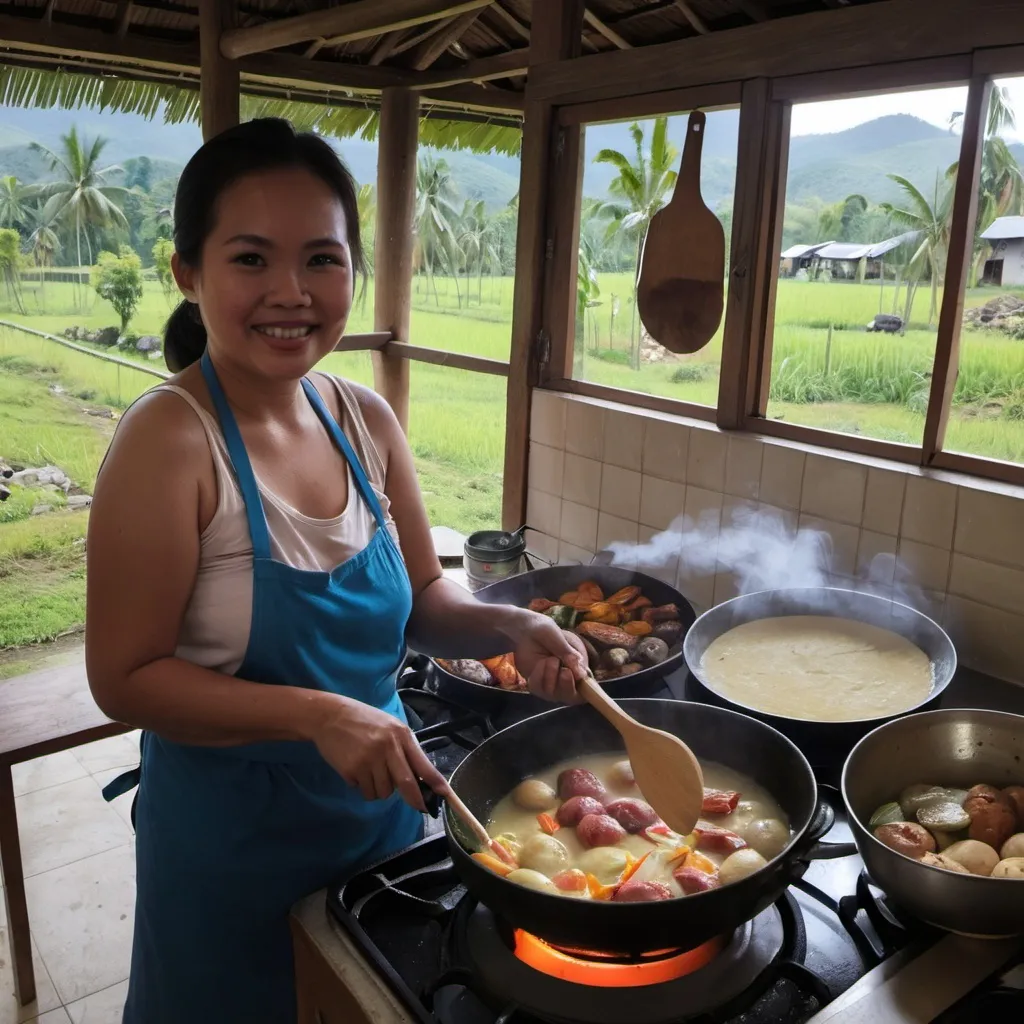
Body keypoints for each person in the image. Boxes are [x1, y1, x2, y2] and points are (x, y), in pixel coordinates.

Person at [84, 117, 587, 1024]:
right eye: (250, 260)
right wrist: (316, 714)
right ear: (189, 274)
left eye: (322, 258)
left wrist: (511, 622)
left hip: (384, 827)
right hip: (233, 851)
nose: (292, 292)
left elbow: (426, 599)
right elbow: (123, 679)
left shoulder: (363, 419)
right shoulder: (167, 442)